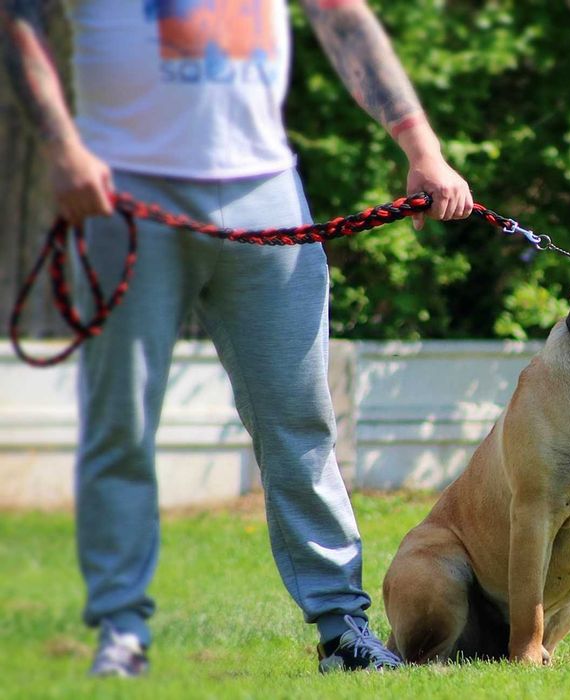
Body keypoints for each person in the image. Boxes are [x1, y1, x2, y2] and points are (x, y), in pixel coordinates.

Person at [1, 0, 472, 676]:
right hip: (122, 191)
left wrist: (422, 149)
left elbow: (341, 17)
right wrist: (62, 149)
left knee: (300, 424)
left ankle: (342, 632)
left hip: (265, 190)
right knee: (120, 424)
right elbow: (20, 19)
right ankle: (121, 632)